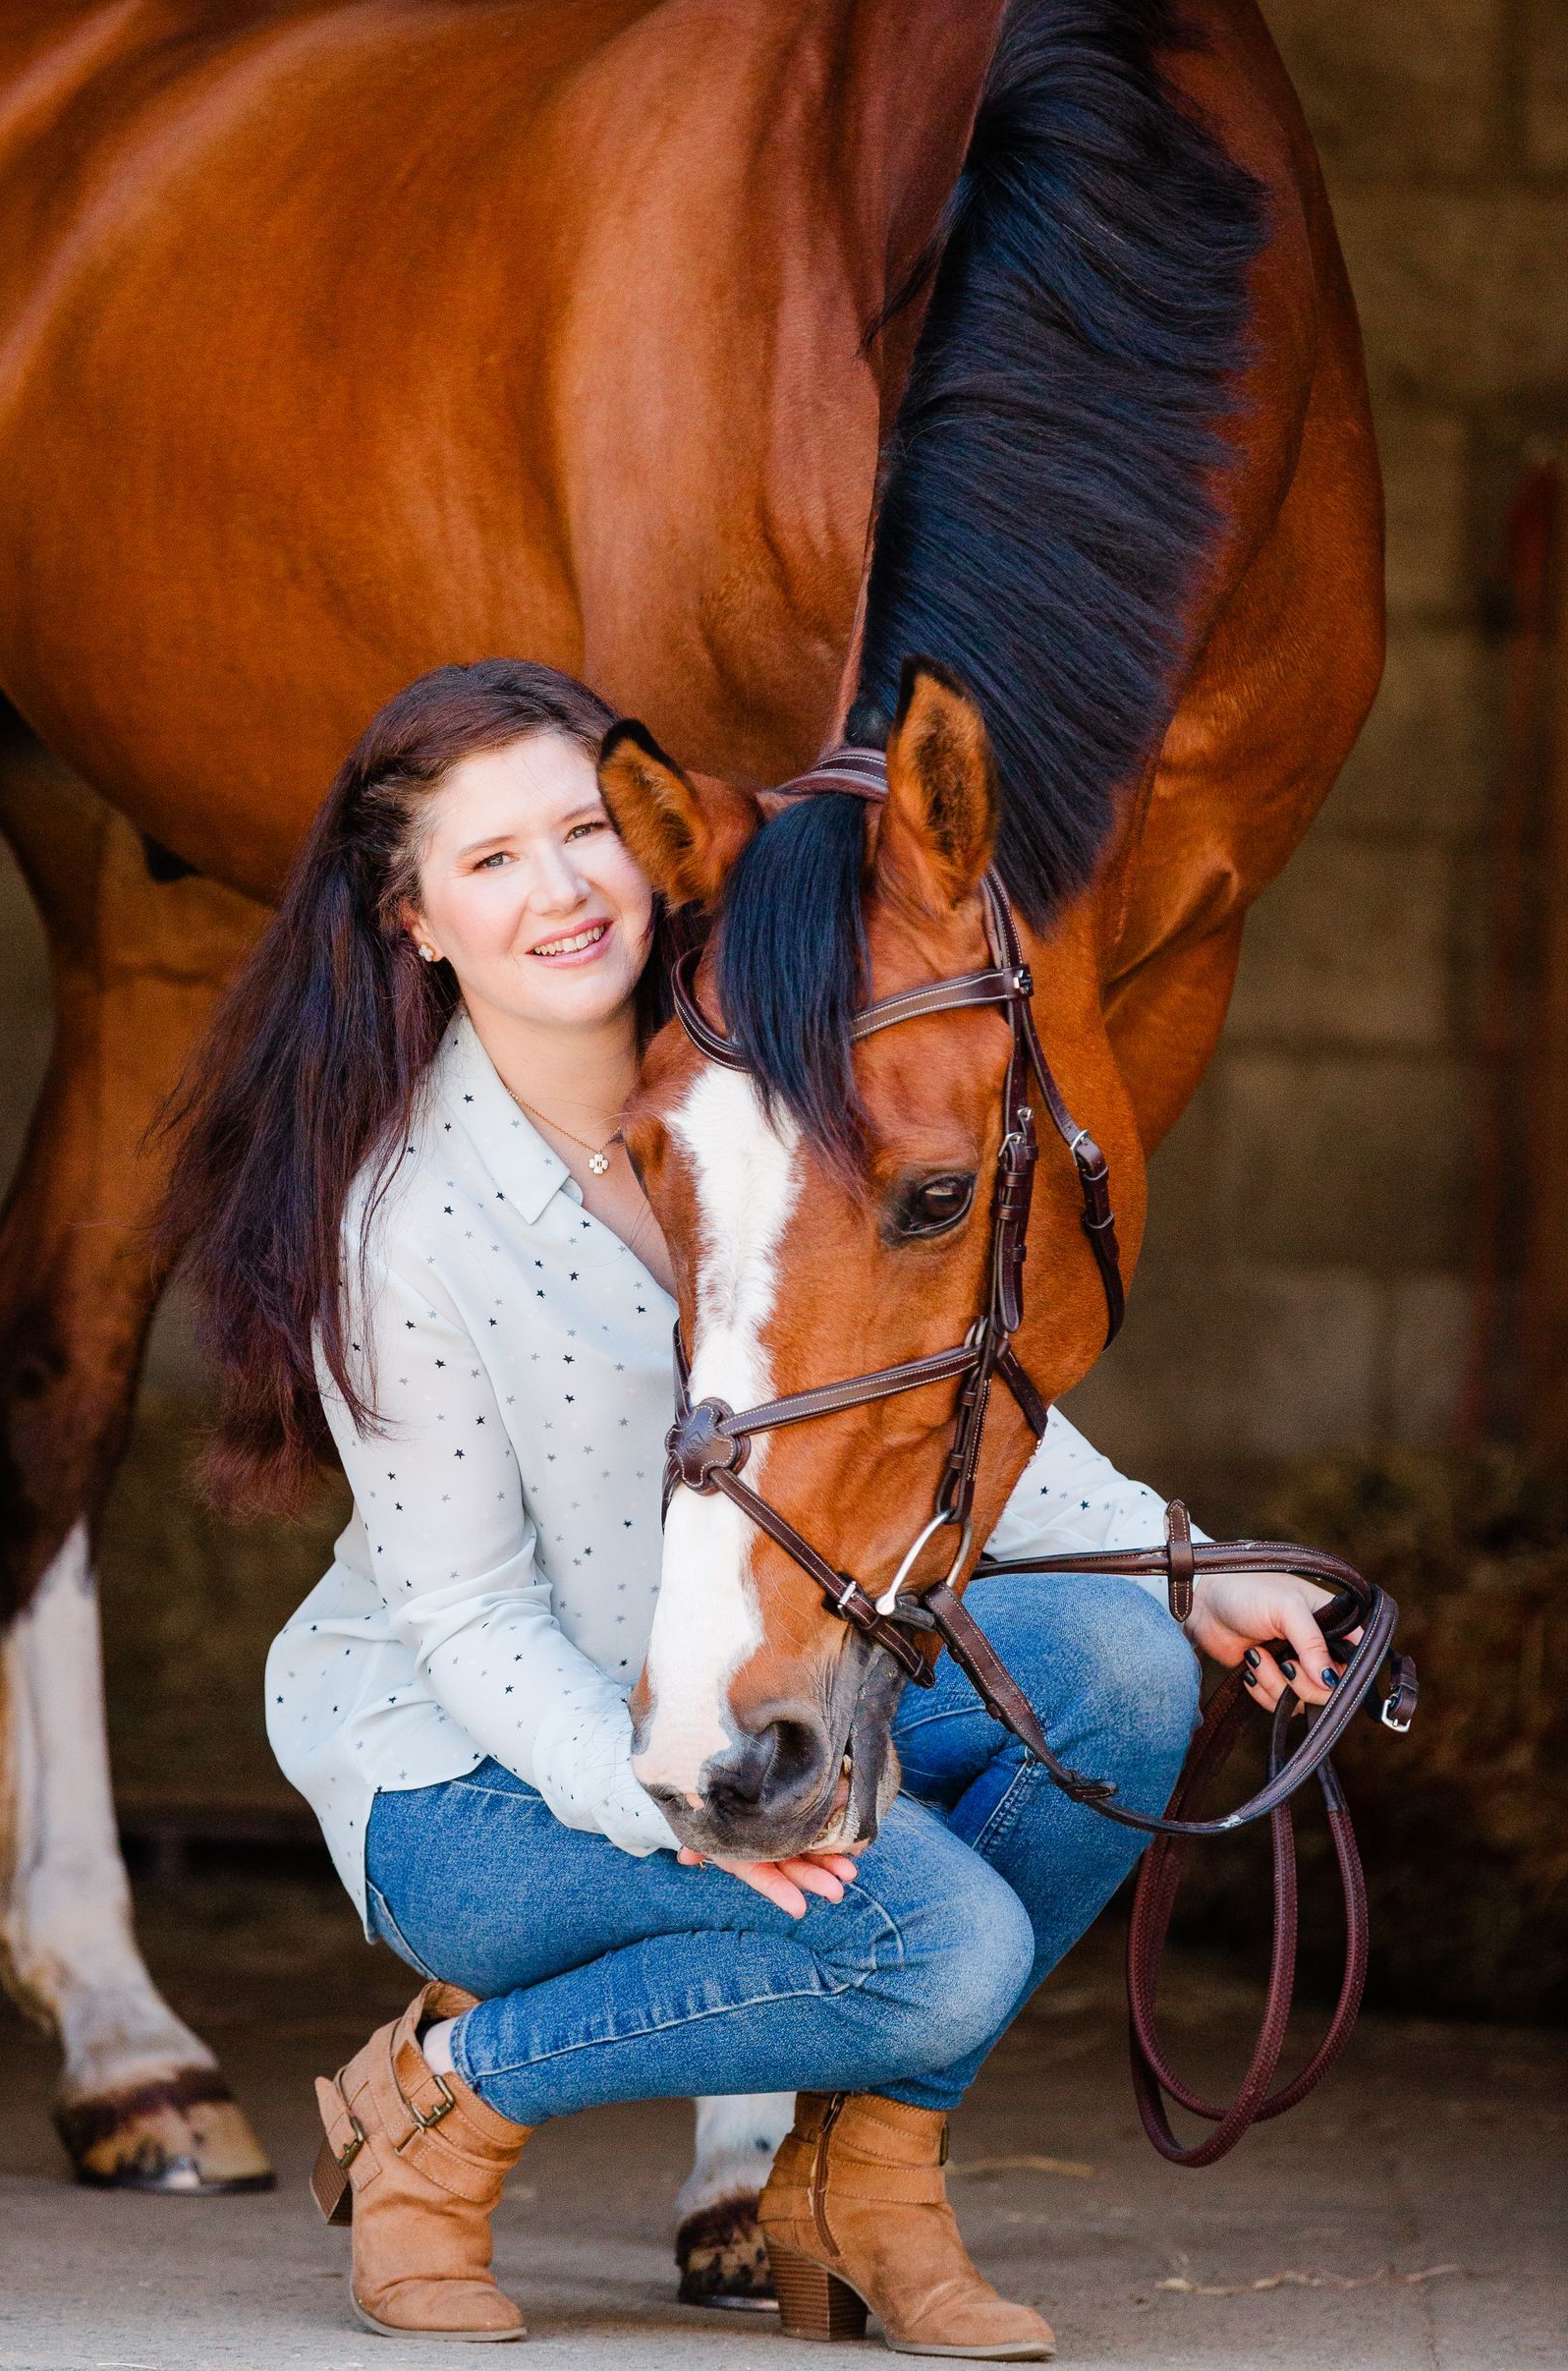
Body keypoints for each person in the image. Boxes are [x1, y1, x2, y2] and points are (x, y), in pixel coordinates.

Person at [161, 659, 1344, 2357]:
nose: (562, 889)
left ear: (654, 847)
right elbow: (470, 1626)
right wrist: (674, 1808)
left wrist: (1182, 1564)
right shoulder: (409, 1223)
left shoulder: (751, 1091)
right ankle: (437, 2104)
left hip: (733, 1676)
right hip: (486, 1778)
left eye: (584, 831)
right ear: (414, 919)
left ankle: (858, 2185)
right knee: (935, 1953)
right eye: (491, 861)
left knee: (1126, 1677)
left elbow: (886, 1396)